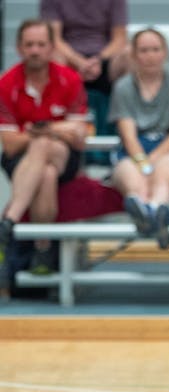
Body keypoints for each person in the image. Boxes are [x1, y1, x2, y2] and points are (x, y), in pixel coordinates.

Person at [0, 19, 88, 298]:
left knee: (43, 144)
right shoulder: (6, 83)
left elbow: (78, 137)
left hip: (66, 156)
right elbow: (11, 145)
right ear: (19, 48)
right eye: (29, 45)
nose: (35, 50)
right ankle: (42, 250)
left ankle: (9, 219)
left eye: (41, 44)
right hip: (22, 160)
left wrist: (41, 129)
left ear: (51, 47)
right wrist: (54, 129)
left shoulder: (69, 79)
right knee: (46, 171)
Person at [110, 27, 169, 250]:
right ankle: (155, 214)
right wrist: (143, 164)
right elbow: (128, 135)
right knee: (130, 176)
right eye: (144, 50)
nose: (150, 55)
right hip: (132, 149)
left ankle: (152, 212)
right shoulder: (123, 87)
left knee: (165, 173)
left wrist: (149, 163)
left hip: (166, 148)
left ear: (164, 52)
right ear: (135, 55)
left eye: (155, 49)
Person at [39, 0, 129, 98]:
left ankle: (125, 109)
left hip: (105, 56)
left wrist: (98, 60)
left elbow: (119, 38)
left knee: (129, 54)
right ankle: (56, 106)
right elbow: (54, 38)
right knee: (52, 56)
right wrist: (79, 62)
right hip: (67, 55)